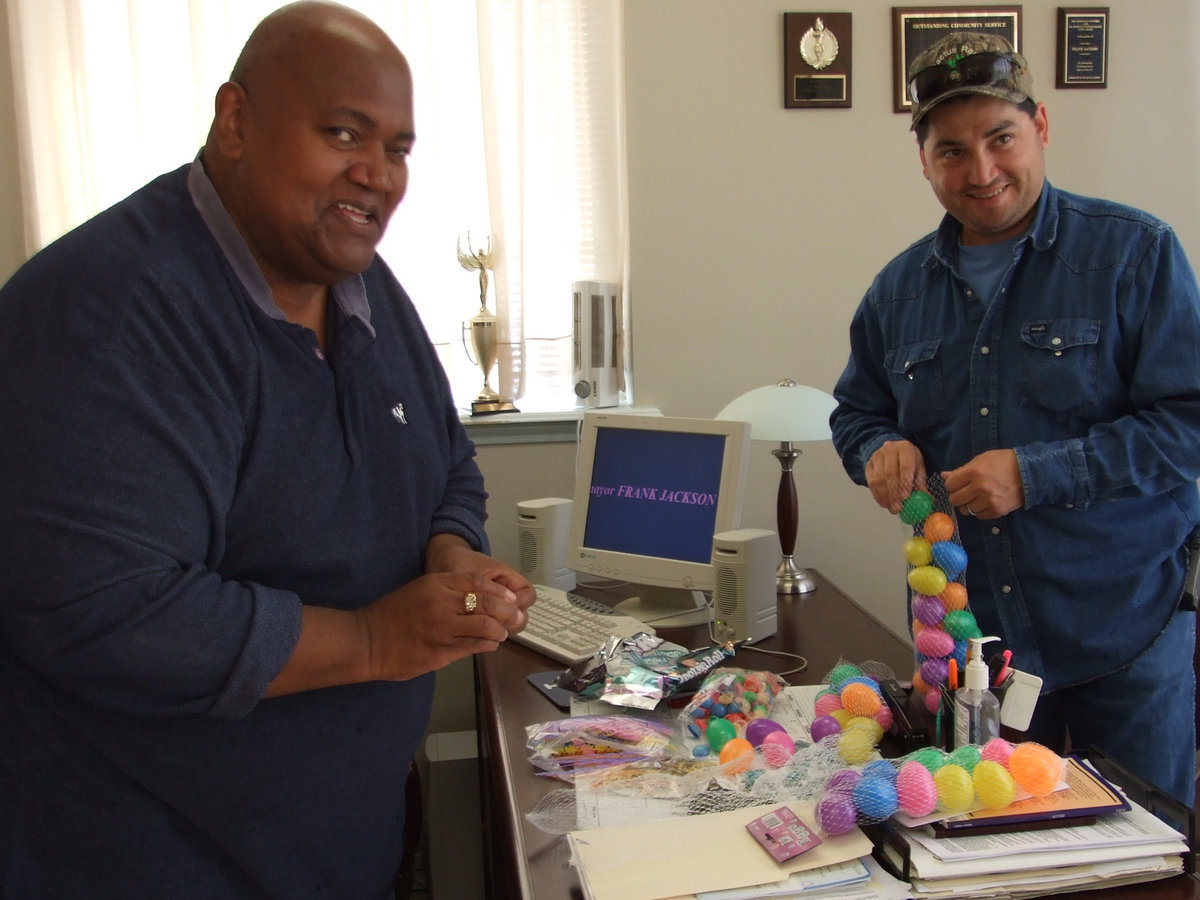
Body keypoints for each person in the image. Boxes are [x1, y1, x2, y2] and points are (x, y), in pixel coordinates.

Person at [0, 2, 535, 896]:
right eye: (341, 133)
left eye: (398, 148)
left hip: (334, 852)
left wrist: (453, 554)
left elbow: (446, 463)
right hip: (147, 862)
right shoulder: (103, 312)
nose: (376, 174)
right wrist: (373, 639)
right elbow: (107, 615)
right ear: (236, 121)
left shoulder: (362, 285)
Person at [830, 31, 1200, 808]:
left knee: (1142, 866)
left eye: (1000, 139)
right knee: (990, 866)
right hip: (972, 657)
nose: (982, 171)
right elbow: (857, 411)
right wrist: (878, 447)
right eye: (952, 151)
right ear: (924, 162)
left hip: (1124, 639)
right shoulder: (895, 292)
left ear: (1040, 127)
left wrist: (1037, 475)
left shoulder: (1136, 254)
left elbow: (1188, 425)